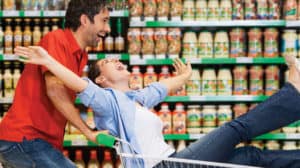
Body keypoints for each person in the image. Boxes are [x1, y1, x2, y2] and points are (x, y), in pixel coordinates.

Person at [15, 46, 300, 168]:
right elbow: (80, 85)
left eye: (116, 59)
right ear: (101, 79)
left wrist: (186, 76)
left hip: (175, 161)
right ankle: (294, 94)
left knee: (249, 157)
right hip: (164, 167)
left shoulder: (136, 99)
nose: (115, 61)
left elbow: (163, 87)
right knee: (235, 128)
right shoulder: (108, 102)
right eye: (106, 63)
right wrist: (50, 61)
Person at [0, 0, 111, 167]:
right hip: (24, 138)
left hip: (42, 143)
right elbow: (55, 91)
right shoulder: (57, 39)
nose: (107, 29)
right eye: (104, 20)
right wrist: (88, 132)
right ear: (85, 20)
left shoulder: (81, 55)